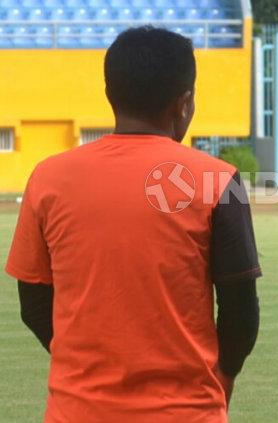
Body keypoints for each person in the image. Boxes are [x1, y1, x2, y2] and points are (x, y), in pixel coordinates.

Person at [5, 26, 261, 423]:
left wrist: (85, 371)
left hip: (76, 411)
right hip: (187, 412)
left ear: (111, 94)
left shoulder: (48, 177)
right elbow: (240, 314)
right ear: (184, 103)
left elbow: (34, 303)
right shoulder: (218, 180)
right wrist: (221, 379)